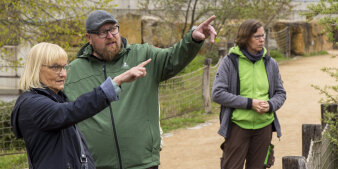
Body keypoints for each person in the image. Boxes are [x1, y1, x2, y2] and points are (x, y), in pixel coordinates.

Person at [64, 10, 216, 169]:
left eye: (113, 29)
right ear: (89, 38)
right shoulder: (72, 72)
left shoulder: (143, 55)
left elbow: (173, 58)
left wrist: (192, 39)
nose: (110, 36)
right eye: (102, 32)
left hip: (143, 163)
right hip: (96, 165)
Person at [11, 42, 150, 169]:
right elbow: (72, 111)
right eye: (55, 67)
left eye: (65, 67)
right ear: (36, 68)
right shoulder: (32, 105)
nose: (63, 74)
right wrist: (115, 83)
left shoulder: (57, 98)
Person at [212, 19, 286, 169]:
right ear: (245, 38)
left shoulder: (270, 63)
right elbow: (217, 93)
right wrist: (250, 103)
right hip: (237, 126)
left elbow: (280, 93)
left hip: (264, 127)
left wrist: (271, 105)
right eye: (257, 36)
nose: (262, 40)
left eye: (263, 36)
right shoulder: (229, 62)